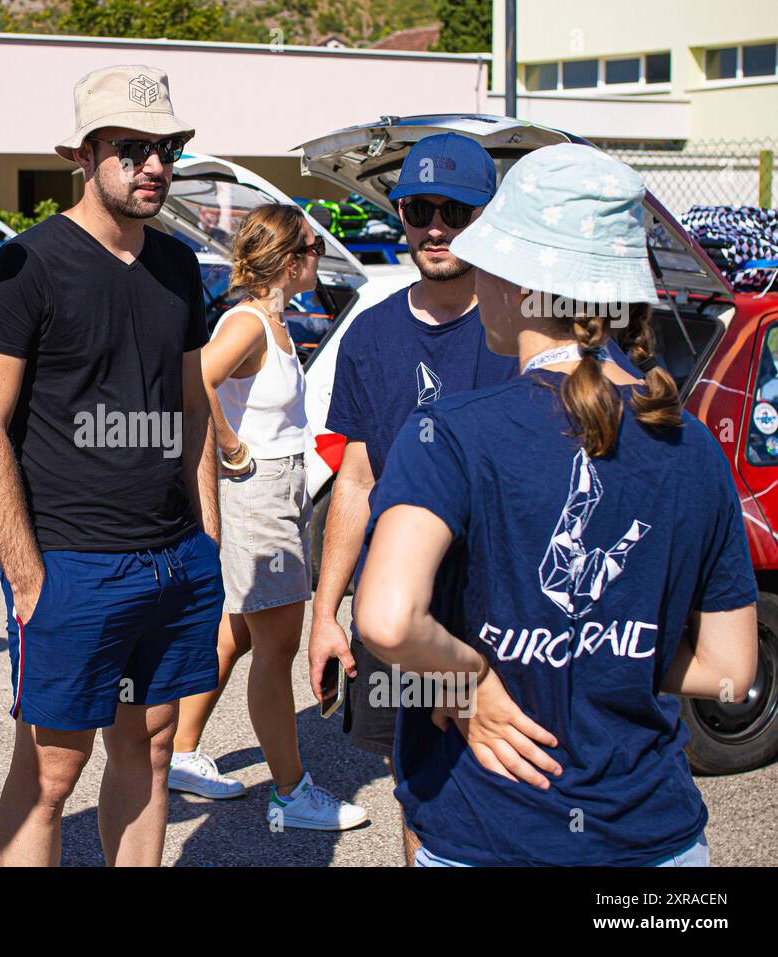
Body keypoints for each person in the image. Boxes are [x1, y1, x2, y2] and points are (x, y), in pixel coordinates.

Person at [353, 143, 758, 866]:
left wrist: (470, 673)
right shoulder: (695, 446)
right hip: (654, 838)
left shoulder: (451, 433)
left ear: (516, 282)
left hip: (492, 825)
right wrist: (610, 655)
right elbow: (729, 669)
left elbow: (387, 616)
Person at [0, 65, 223, 867]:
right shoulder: (23, 268)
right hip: (71, 561)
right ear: (85, 155)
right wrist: (26, 575)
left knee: (149, 751)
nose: (154, 165)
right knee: (51, 771)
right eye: (132, 149)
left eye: (167, 149)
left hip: (173, 557)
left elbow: (192, 407)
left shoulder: (179, 264)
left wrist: (205, 533)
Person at [307, 133, 514, 861]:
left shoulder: (522, 331)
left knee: (511, 782)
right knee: (417, 786)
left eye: (455, 211)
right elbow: (356, 481)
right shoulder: (370, 335)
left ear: (489, 216)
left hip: (503, 609)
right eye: (418, 209)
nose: (434, 227)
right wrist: (325, 612)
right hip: (398, 611)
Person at [169, 204, 367, 830]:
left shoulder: (272, 321)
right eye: (312, 246)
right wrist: (228, 444)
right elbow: (192, 379)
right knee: (276, 649)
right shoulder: (251, 322)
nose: (319, 255)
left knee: (239, 633)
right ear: (289, 259)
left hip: (275, 492)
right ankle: (290, 792)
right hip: (258, 494)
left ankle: (178, 752)